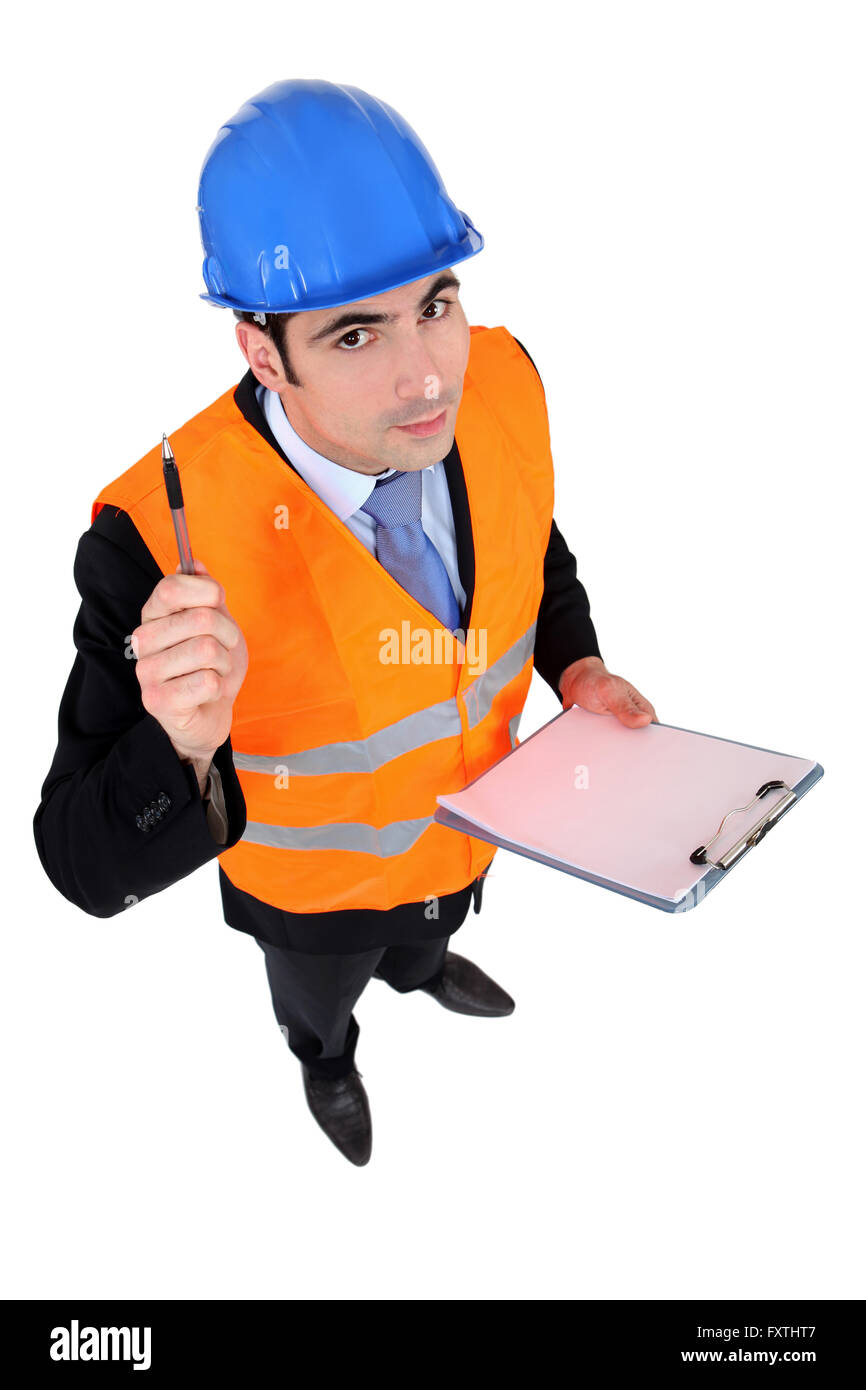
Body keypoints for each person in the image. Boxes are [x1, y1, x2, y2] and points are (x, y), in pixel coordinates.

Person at [33, 79, 657, 1167]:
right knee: (322, 994)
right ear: (262, 352)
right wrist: (179, 740)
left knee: (425, 940)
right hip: (312, 899)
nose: (426, 376)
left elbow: (528, 547)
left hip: (466, 843)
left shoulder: (500, 383)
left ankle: (422, 965)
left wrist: (579, 664)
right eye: (357, 332)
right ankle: (325, 1054)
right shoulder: (150, 541)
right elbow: (79, 860)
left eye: (435, 304)